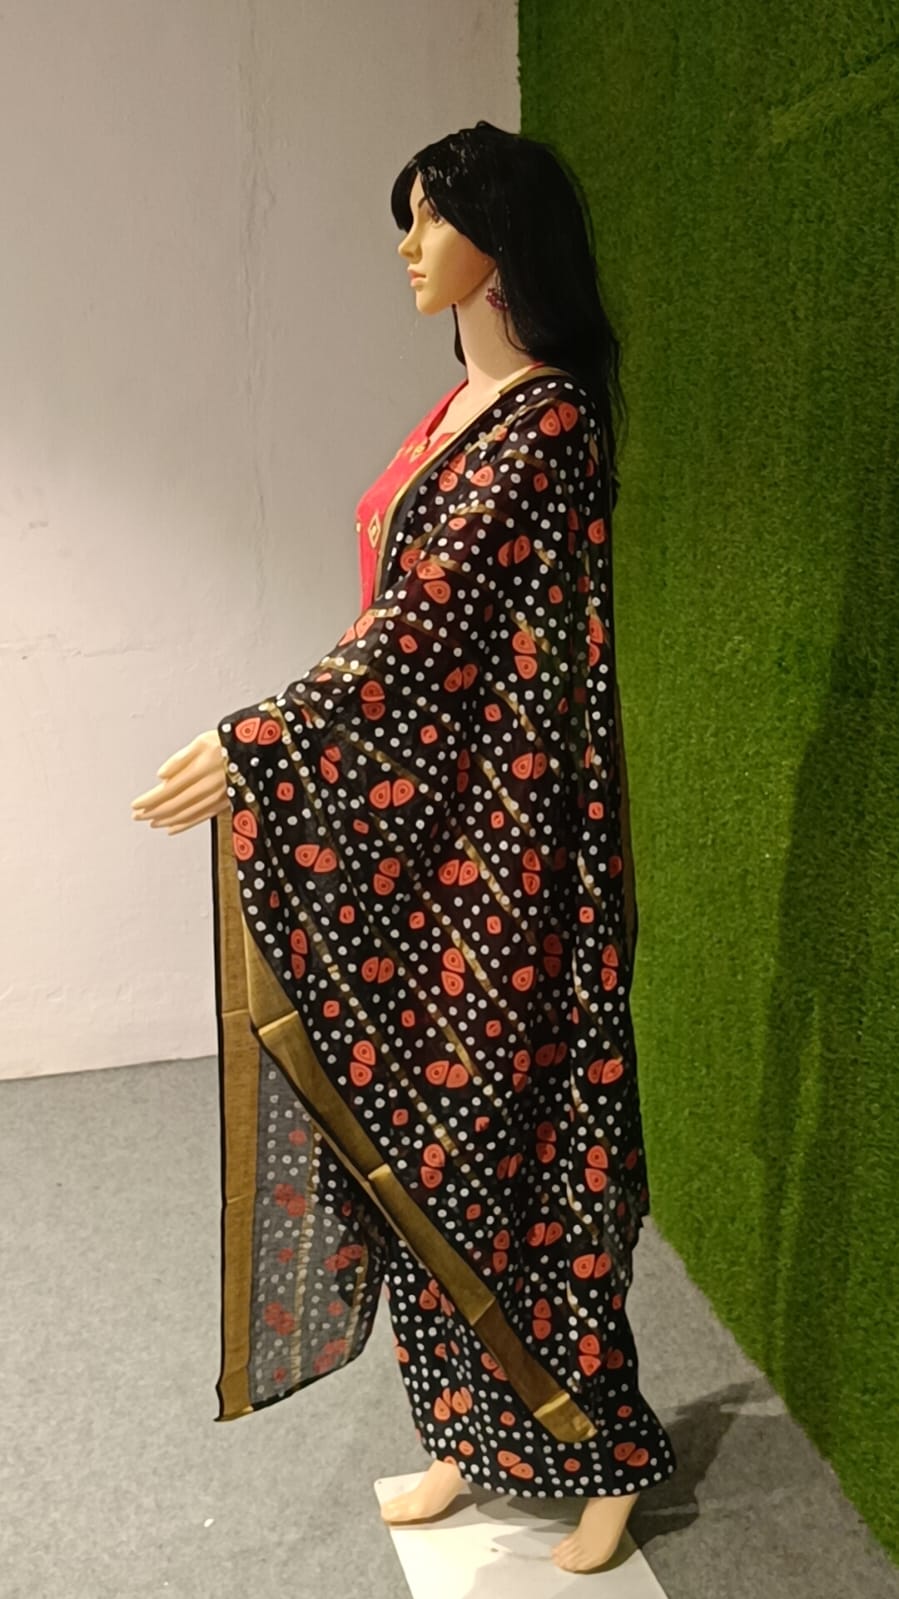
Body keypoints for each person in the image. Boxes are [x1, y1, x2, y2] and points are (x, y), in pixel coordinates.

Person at [131, 120, 677, 1576]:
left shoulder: (548, 426)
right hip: (431, 837)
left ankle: (601, 1449)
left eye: (429, 219)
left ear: (499, 241)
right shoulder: (455, 412)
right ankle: (467, 1433)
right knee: (416, 1145)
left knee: (531, 1143)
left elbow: (424, 639)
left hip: (516, 864)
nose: (407, 245)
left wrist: (256, 743)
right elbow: (403, 633)